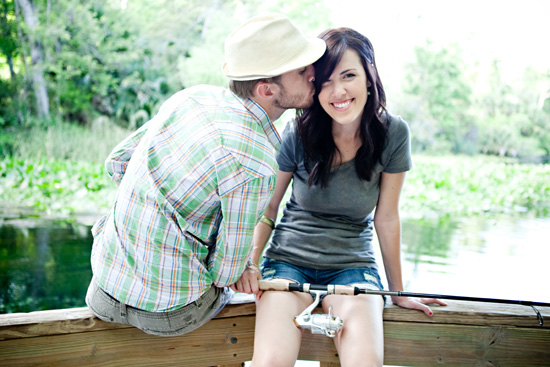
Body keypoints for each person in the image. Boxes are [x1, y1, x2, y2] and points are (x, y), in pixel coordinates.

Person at [85, 14, 326, 337]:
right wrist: (245, 266)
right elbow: (226, 273)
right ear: (267, 89)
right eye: (302, 70)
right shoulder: (255, 161)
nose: (314, 75)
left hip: (103, 289)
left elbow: (117, 163)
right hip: (170, 315)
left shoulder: (191, 97)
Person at [231, 27, 446, 366]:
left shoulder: (393, 133)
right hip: (287, 262)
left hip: (353, 267)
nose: (339, 91)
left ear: (369, 78)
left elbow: (386, 217)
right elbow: (268, 207)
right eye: (326, 81)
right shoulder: (297, 131)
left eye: (349, 76)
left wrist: (398, 291)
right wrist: (250, 264)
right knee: (270, 361)